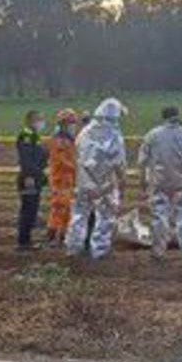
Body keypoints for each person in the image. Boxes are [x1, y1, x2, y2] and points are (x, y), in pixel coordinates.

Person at [138, 106, 182, 258]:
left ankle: (158, 251)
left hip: (159, 182)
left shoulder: (152, 135)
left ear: (163, 117)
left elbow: (142, 161)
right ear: (178, 116)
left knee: (159, 216)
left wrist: (143, 180)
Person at [65, 98, 128, 259]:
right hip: (105, 184)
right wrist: (121, 181)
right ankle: (99, 251)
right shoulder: (114, 135)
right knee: (105, 217)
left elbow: (76, 155)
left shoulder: (84, 132)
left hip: (83, 182)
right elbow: (119, 162)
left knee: (79, 215)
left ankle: (73, 247)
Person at [15, 111, 49, 250]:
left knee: (32, 209)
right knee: (28, 210)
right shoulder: (27, 136)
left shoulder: (34, 136)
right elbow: (27, 159)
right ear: (31, 121)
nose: (42, 122)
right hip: (30, 178)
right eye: (39, 120)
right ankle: (23, 242)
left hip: (35, 177)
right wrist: (30, 177)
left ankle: (26, 240)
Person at [45, 109, 79, 245]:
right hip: (61, 179)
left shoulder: (68, 140)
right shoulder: (60, 141)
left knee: (63, 207)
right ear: (64, 124)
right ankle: (57, 236)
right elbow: (62, 162)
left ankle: (55, 234)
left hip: (67, 178)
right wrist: (78, 168)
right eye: (71, 123)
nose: (74, 126)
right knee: (61, 207)